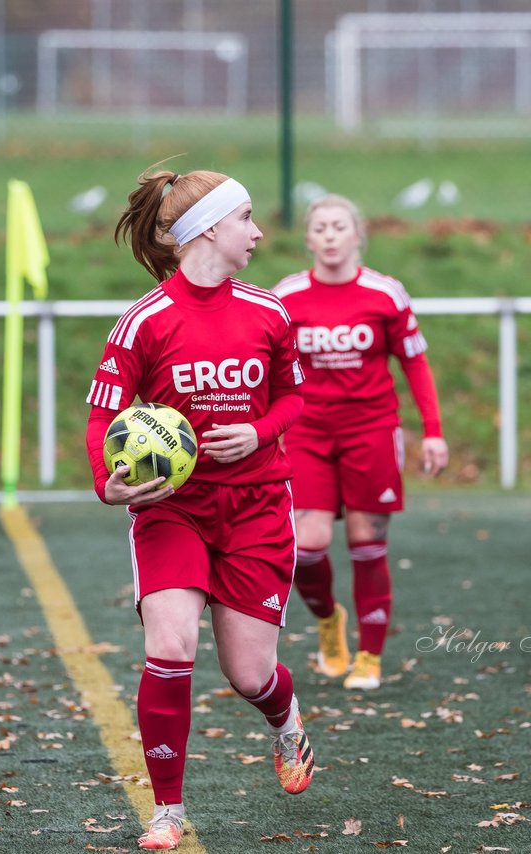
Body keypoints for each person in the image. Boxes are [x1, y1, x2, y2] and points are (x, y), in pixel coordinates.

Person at [84, 165, 313, 850]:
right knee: (171, 644)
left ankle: (286, 721)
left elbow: (293, 398)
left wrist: (259, 432)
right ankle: (168, 812)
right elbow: (103, 419)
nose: (259, 233)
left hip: (257, 510)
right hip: (171, 509)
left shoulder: (269, 311)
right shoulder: (143, 322)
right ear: (209, 228)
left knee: (248, 674)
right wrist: (109, 482)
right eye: (247, 219)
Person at [272, 194, 448, 692]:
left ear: (357, 235)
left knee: (367, 543)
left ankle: (370, 655)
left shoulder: (385, 294)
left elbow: (414, 362)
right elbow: (267, 368)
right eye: (320, 227)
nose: (329, 235)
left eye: (338, 226)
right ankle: (329, 621)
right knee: (306, 547)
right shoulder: (285, 296)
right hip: (306, 433)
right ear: (308, 239)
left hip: (371, 429)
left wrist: (433, 432)